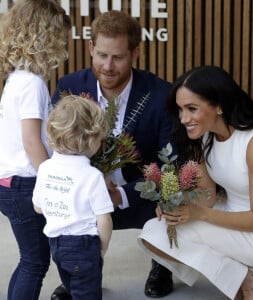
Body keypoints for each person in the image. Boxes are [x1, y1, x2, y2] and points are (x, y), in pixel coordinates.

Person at [138, 65, 253, 300]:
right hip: (234, 218)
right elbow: (206, 195)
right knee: (154, 231)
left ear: (220, 105)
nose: (184, 119)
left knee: (170, 234)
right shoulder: (206, 138)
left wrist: (198, 214)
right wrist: (175, 204)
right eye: (180, 109)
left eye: (192, 109)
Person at [51, 9, 174, 300]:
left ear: (135, 54)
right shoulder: (70, 88)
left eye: (118, 57)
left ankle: (163, 265)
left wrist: (122, 194)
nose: (108, 66)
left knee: (175, 191)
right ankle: (78, 274)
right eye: (102, 55)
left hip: (140, 194)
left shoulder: (160, 94)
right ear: (91, 48)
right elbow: (55, 148)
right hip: (85, 196)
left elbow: (171, 162)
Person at [0, 1, 71, 300]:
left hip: (11, 182)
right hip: (24, 183)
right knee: (34, 261)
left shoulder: (17, 79)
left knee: (31, 259)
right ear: (46, 37)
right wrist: (53, 182)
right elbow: (32, 142)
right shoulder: (31, 84)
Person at [32, 95, 114, 300]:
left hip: (57, 246)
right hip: (84, 245)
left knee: (71, 285)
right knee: (87, 293)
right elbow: (104, 220)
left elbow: (38, 207)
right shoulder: (92, 176)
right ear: (90, 139)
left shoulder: (45, 168)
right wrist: (101, 250)